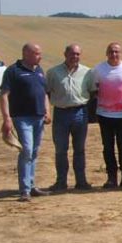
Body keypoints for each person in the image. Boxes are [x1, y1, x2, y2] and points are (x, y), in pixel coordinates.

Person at [0, 43, 50, 201]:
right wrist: (6, 118)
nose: (40, 56)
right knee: (26, 150)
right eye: (37, 53)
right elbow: (3, 95)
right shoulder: (13, 71)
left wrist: (47, 111)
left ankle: (31, 185)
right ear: (26, 54)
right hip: (22, 118)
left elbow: (44, 94)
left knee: (34, 152)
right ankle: (24, 190)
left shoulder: (40, 71)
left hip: (39, 117)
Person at [89, 42, 122, 189]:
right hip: (104, 115)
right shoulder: (99, 69)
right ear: (106, 53)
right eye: (111, 52)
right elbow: (93, 89)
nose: (114, 54)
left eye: (117, 52)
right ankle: (111, 178)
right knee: (108, 147)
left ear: (121, 53)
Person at [45, 43, 90, 191]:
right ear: (65, 54)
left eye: (77, 54)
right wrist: (47, 111)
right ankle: (61, 182)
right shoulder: (53, 72)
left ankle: (81, 181)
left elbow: (94, 92)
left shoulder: (87, 72)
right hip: (61, 113)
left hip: (80, 113)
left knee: (80, 149)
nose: (75, 57)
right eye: (72, 54)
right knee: (60, 149)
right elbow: (46, 92)